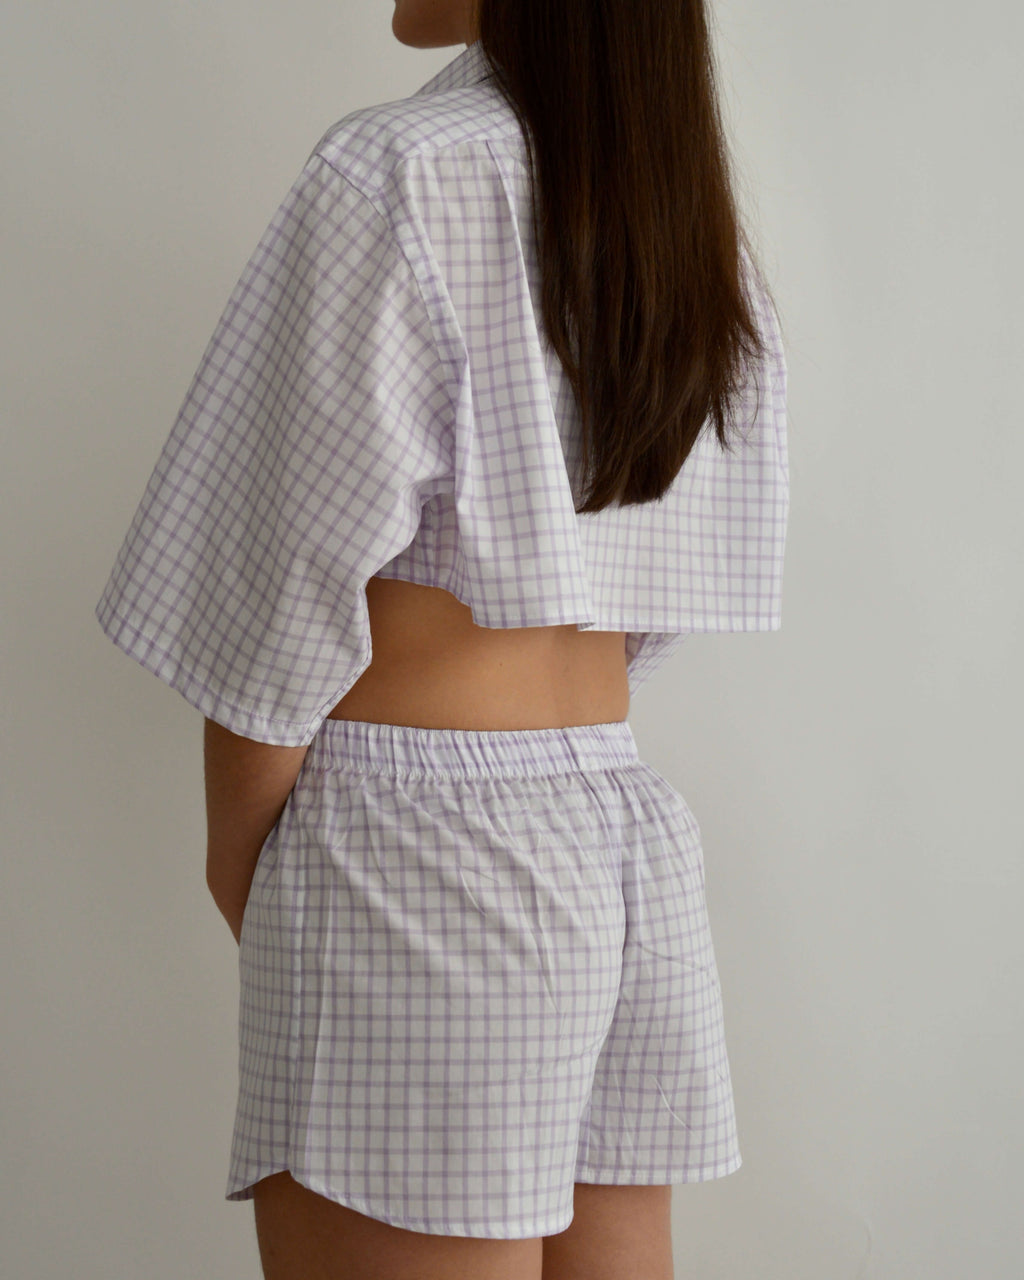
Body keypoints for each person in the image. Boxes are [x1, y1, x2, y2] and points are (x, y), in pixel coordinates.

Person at [94, 1, 789, 1276]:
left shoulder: (400, 171)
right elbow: (650, 582)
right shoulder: (682, 218)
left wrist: (254, 856)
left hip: (418, 850)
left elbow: (274, 567)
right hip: (623, 839)